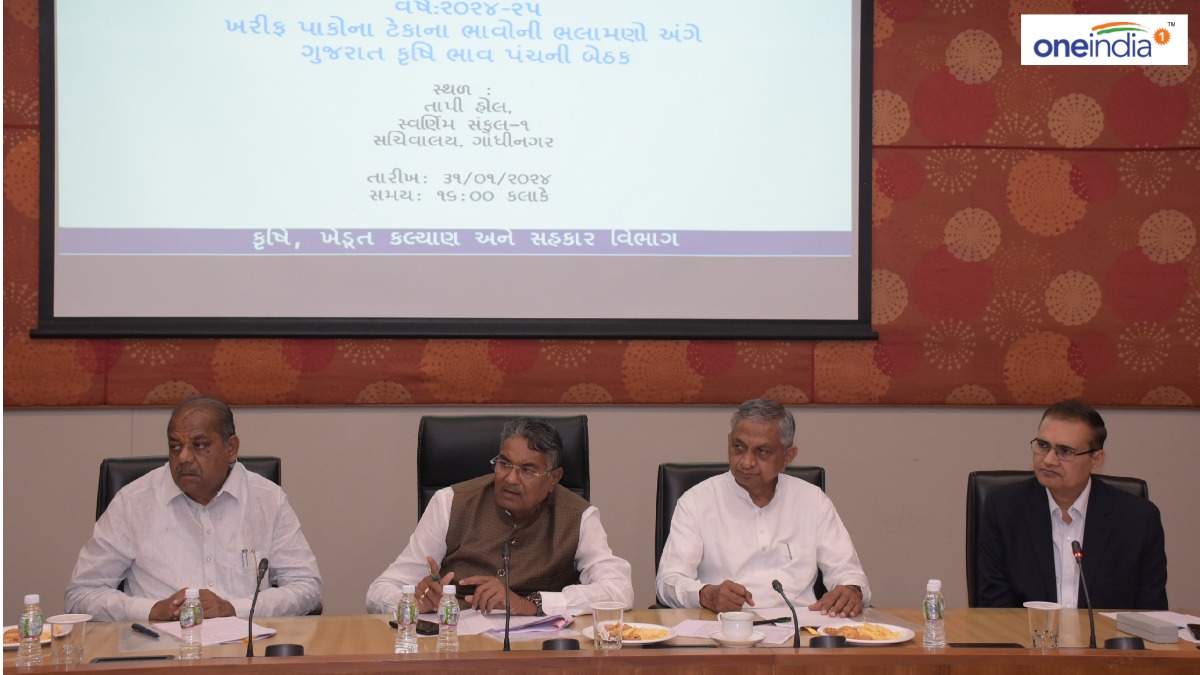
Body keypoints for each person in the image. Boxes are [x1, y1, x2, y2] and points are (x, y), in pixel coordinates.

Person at [66, 397, 323, 621]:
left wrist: (234, 609)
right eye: (175, 446)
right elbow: (81, 594)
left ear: (231, 448)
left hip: (245, 650)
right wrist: (150, 610)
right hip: (160, 649)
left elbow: (306, 587)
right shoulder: (133, 502)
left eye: (199, 445)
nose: (184, 457)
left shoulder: (267, 500)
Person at [367, 417, 633, 616]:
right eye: (504, 464)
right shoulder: (450, 502)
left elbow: (619, 590)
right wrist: (413, 602)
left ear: (554, 478)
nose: (510, 479)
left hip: (537, 652)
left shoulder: (578, 516)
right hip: (456, 646)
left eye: (527, 470)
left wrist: (531, 604)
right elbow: (379, 591)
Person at [655, 399, 871, 617]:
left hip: (800, 628)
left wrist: (851, 590)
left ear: (788, 457)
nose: (746, 462)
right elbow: (667, 582)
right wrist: (705, 594)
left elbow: (849, 573)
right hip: (725, 628)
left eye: (762, 452)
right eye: (738, 447)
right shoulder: (696, 501)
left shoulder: (813, 501)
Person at [977, 400, 1168, 609]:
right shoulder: (1004, 509)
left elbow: (1151, 612)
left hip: (1105, 631)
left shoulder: (1138, 519)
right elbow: (995, 605)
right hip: (1026, 630)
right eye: (1043, 445)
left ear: (1096, 460)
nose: (1049, 460)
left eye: (1065, 451)